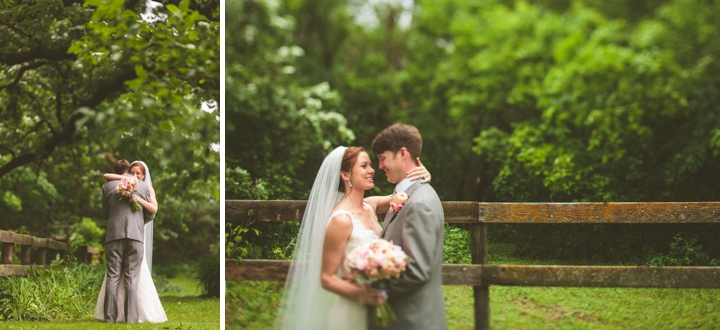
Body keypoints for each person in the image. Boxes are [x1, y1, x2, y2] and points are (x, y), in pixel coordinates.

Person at [274, 146, 431, 330]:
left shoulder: (369, 206)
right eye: (364, 166)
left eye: (370, 165)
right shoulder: (341, 220)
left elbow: (404, 195)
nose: (372, 170)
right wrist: (361, 295)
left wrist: (421, 175)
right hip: (352, 312)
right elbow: (327, 278)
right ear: (345, 175)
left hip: (376, 309)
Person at [369, 124, 446, 330]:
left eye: (382, 158)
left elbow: (417, 270)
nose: (379, 166)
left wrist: (370, 288)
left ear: (402, 153)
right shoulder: (406, 196)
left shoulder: (419, 203)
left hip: (411, 320)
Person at [95, 160, 167, 323]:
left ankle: (110, 318)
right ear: (128, 172)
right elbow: (151, 215)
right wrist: (136, 222)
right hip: (135, 237)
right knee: (132, 277)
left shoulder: (107, 187)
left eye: (137, 173)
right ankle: (131, 318)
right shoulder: (145, 187)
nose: (134, 176)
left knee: (113, 276)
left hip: (114, 235)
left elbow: (105, 213)